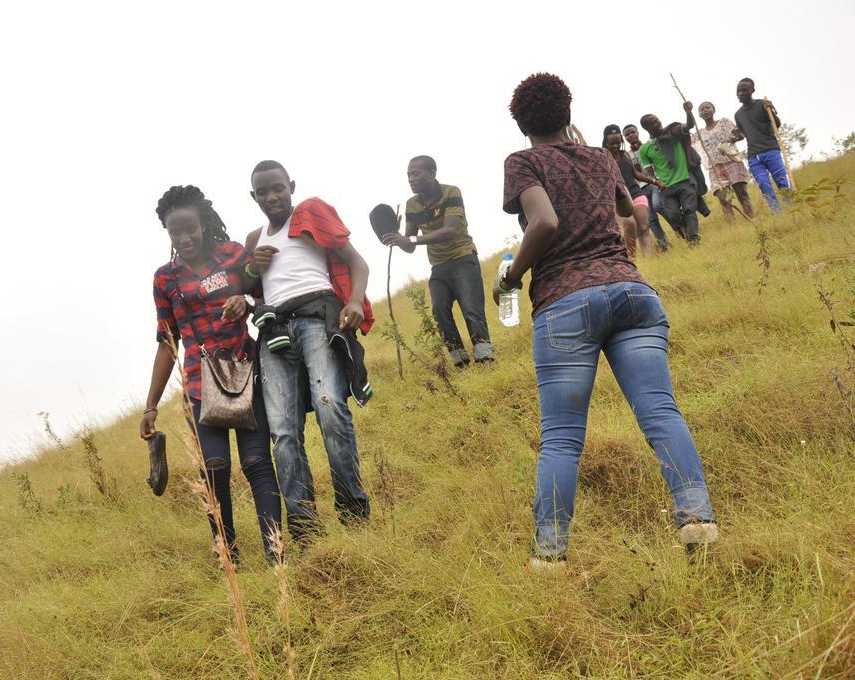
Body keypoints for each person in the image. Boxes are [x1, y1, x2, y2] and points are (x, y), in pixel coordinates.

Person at [500, 73, 718, 571]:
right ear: (568, 112)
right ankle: (698, 522)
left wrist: (512, 277)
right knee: (660, 412)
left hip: (565, 301)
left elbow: (545, 222)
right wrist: (586, 160)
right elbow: (628, 210)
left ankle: (551, 557)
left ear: (520, 122)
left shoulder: (523, 162)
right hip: (632, 293)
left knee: (561, 436)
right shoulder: (600, 158)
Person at [141, 185, 282, 564]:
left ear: (203, 224)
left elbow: (265, 297)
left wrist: (248, 301)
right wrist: (150, 406)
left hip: (246, 372)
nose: (184, 238)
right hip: (201, 384)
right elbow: (167, 343)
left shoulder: (234, 254)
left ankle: (276, 553)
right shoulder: (165, 279)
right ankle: (228, 555)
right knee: (215, 468)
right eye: (175, 232)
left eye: (190, 229)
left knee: (257, 464)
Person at [244, 160, 373, 543]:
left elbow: (356, 262)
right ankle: (305, 530)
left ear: (291, 186)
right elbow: (247, 288)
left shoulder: (310, 213)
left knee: (330, 405)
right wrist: (253, 268)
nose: (272, 197)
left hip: (317, 317)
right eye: (263, 192)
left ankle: (354, 511)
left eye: (278, 188)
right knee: (283, 432)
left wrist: (352, 302)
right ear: (253, 197)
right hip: (273, 332)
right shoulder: (254, 240)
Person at [381, 156, 494, 367]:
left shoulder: (452, 192)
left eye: (416, 173)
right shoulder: (411, 205)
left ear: (432, 173)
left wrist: (410, 239)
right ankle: (460, 363)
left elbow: (449, 231)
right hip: (439, 266)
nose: (411, 179)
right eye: (408, 174)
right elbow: (410, 246)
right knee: (439, 311)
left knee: (471, 310)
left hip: (463, 258)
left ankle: (485, 358)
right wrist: (394, 235)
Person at [639, 102, 702, 244]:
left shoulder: (673, 132)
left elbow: (689, 125)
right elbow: (649, 172)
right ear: (647, 128)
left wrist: (688, 112)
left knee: (689, 210)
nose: (658, 123)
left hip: (685, 180)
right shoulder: (645, 149)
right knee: (673, 215)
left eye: (657, 120)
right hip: (666, 187)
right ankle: (686, 236)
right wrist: (657, 182)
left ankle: (694, 240)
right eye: (653, 123)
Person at [601, 124, 664, 257]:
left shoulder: (626, 156)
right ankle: (631, 259)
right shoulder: (603, 158)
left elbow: (635, 174)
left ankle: (649, 260)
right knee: (629, 225)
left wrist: (653, 181)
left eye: (618, 142)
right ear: (606, 142)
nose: (615, 145)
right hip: (618, 198)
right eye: (611, 143)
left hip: (636, 193)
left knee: (643, 227)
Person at [732, 77, 790, 213]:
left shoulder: (762, 104)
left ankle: (791, 209)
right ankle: (777, 213)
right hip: (753, 155)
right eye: (738, 91)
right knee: (764, 184)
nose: (740, 93)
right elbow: (743, 133)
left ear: (752, 90)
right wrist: (735, 136)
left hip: (771, 150)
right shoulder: (738, 115)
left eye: (744, 90)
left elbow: (777, 124)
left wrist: (771, 109)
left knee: (782, 182)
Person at [693, 102, 754, 224]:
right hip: (714, 168)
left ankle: (751, 220)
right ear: (699, 115)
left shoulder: (724, 122)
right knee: (723, 198)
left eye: (707, 107)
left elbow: (740, 135)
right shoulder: (697, 134)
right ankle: (733, 228)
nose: (705, 110)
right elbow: (693, 148)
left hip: (731, 161)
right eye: (702, 109)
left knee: (741, 193)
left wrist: (730, 139)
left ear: (713, 109)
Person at [624, 123, 672, 251]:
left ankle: (680, 228)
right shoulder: (627, 155)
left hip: (655, 182)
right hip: (640, 188)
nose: (630, 135)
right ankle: (664, 244)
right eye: (627, 134)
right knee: (650, 218)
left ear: (637, 132)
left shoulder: (649, 146)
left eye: (632, 132)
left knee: (659, 205)